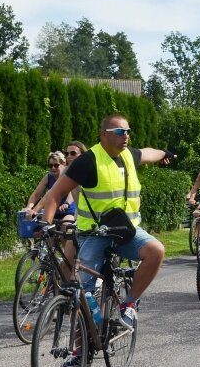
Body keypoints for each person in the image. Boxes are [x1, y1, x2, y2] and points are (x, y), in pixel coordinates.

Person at [42, 113, 173, 332]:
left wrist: (164, 154)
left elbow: (148, 153)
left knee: (156, 251)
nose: (126, 136)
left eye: (128, 131)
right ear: (104, 135)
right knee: (82, 292)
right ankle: (76, 352)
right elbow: (55, 194)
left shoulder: (128, 155)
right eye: (120, 132)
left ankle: (129, 304)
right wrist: (46, 224)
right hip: (93, 234)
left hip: (125, 232)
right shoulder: (88, 161)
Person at [24, 151, 75, 222]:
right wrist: (29, 207)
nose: (53, 168)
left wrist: (66, 203)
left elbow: (72, 192)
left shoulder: (68, 176)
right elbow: (36, 194)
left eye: (56, 165)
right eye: (50, 166)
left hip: (68, 212)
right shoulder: (48, 177)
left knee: (66, 225)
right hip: (52, 211)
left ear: (63, 164)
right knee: (40, 230)